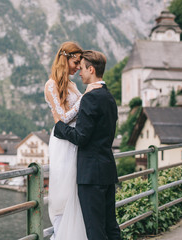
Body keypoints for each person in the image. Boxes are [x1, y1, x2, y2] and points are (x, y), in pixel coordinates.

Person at [54, 50, 121, 240]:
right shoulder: (108, 97)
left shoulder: (91, 98)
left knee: (95, 230)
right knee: (110, 226)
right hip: (107, 170)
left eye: (82, 68)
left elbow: (81, 137)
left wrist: (59, 127)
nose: (79, 72)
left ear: (91, 69)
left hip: (91, 175)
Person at [44, 42, 101, 240]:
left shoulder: (72, 85)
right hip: (63, 140)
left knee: (77, 190)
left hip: (77, 139)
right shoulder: (51, 85)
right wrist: (86, 98)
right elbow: (62, 119)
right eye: (76, 62)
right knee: (64, 191)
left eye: (80, 63)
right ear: (64, 59)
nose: (78, 67)